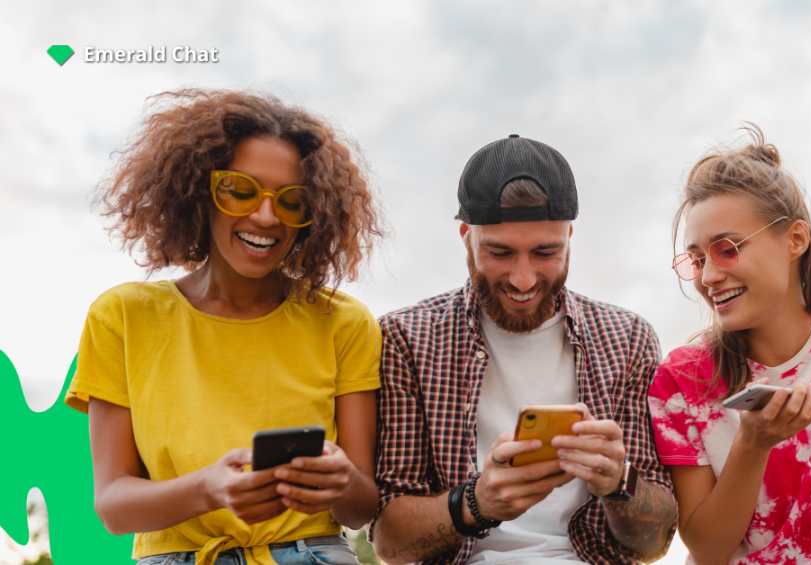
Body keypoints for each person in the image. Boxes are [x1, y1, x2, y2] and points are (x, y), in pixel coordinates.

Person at [64, 89, 384, 565]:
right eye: (240, 190)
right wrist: (207, 490)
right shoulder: (122, 316)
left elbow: (360, 509)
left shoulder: (344, 322)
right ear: (198, 193)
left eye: (292, 201)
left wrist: (341, 481)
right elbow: (113, 507)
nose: (266, 217)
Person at [370, 135, 679, 565]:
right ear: (466, 237)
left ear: (569, 237)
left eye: (546, 252)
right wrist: (477, 503)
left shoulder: (628, 338)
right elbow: (389, 545)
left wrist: (618, 481)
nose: (523, 279)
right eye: (499, 252)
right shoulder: (407, 338)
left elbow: (653, 545)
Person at [648, 125, 811, 564]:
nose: (709, 276)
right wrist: (752, 445)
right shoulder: (681, 379)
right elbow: (707, 549)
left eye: (727, 249)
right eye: (696, 260)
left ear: (795, 239)